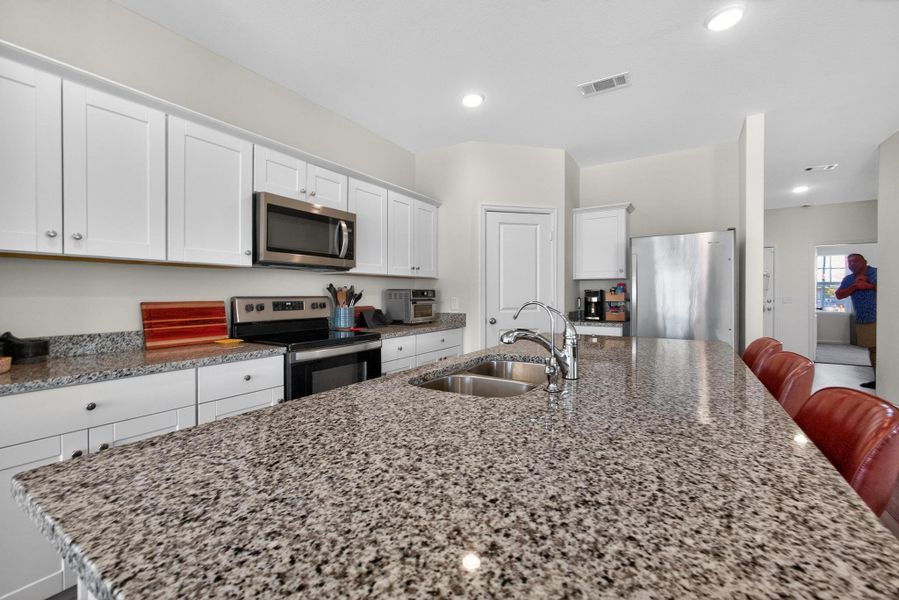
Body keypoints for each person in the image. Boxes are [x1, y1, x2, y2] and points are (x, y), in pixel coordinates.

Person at [835, 253, 877, 389]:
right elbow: (839, 295)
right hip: (864, 319)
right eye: (849, 262)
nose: (852, 264)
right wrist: (855, 286)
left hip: (883, 318)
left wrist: (868, 286)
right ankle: (879, 380)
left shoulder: (877, 273)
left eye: (855, 261)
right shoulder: (849, 279)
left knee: (883, 349)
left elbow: (892, 289)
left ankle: (885, 381)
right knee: (873, 350)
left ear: (865, 261)